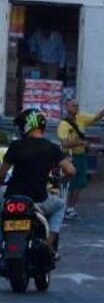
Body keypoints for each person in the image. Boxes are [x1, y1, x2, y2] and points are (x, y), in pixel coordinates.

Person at [0, 109, 77, 255]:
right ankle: (48, 246)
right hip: (39, 200)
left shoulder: (16, 146)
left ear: (28, 125)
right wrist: (60, 180)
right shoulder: (52, 148)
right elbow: (71, 171)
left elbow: (2, 174)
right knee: (60, 206)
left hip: (12, 198)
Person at [57, 98, 104, 219]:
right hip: (68, 157)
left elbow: (98, 116)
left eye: (77, 105)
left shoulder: (81, 118)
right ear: (66, 107)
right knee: (66, 183)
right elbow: (65, 144)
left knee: (79, 183)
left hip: (80, 157)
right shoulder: (63, 124)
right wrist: (81, 142)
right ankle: (61, 207)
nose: (76, 107)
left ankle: (71, 208)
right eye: (73, 106)